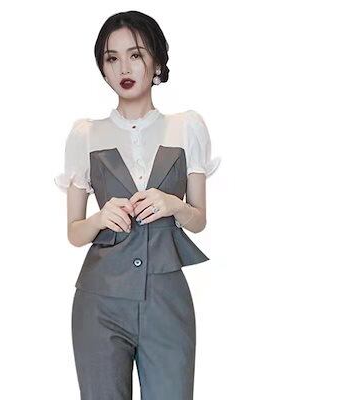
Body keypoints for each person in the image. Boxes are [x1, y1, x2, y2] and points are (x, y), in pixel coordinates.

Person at [54, 10, 221, 400]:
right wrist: (99, 217)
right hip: (99, 303)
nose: (123, 68)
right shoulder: (86, 135)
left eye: (135, 54)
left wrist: (173, 204)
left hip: (167, 300)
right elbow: (74, 233)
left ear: (156, 61)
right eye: (112, 58)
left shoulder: (187, 127)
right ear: (103, 68)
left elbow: (199, 220)